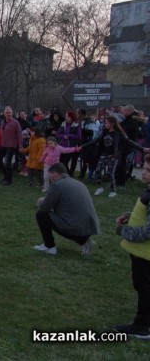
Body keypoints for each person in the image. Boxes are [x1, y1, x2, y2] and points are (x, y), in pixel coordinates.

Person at [113, 154, 150, 339]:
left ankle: (142, 326)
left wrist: (122, 231)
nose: (143, 172)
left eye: (148, 170)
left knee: (144, 288)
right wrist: (131, 215)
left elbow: (147, 231)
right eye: (144, 168)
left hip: (145, 253)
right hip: (142, 253)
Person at [32, 162, 101, 256]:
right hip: (88, 228)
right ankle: (84, 240)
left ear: (55, 175)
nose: (50, 178)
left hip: (74, 227)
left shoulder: (57, 185)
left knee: (41, 215)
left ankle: (49, 246)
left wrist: (41, 201)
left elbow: (44, 208)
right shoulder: (79, 183)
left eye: (50, 175)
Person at [80, 116, 149, 198]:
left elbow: (130, 142)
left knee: (111, 173)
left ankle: (113, 191)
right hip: (104, 154)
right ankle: (100, 187)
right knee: (98, 170)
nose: (105, 124)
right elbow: (95, 140)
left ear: (112, 124)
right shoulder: (104, 132)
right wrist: (82, 146)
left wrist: (142, 149)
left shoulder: (118, 134)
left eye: (106, 123)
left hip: (114, 155)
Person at [0, 106, 22, 186]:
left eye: (10, 112)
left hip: (11, 145)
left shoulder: (15, 122)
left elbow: (20, 134)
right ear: (4, 114)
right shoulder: (2, 122)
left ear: (12, 113)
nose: (9, 114)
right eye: (7, 113)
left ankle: (9, 180)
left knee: (7, 162)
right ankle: (5, 176)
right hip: (3, 144)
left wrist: (20, 146)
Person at [56, 111, 82, 177]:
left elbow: (78, 136)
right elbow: (58, 134)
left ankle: (68, 175)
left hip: (70, 146)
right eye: (66, 116)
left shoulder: (76, 125)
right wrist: (63, 136)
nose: (66, 117)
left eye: (67, 116)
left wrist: (69, 135)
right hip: (61, 146)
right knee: (61, 161)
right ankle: (65, 175)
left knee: (65, 161)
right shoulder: (63, 124)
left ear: (71, 117)